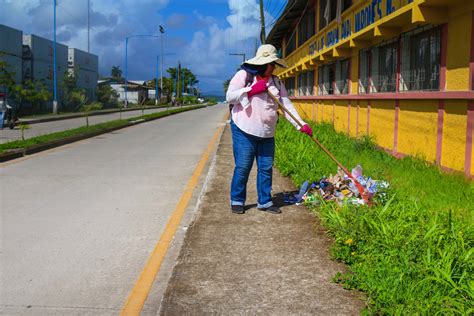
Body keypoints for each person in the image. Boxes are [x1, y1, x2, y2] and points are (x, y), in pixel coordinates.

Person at [226, 44, 313, 215]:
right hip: (244, 129)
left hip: (267, 131)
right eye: (270, 63)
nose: (273, 67)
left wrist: (300, 124)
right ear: (261, 63)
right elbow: (229, 96)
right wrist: (251, 91)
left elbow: (286, 105)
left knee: (266, 167)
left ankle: (264, 201)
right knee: (243, 166)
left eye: (274, 63)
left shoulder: (276, 82)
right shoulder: (245, 75)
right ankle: (237, 199)